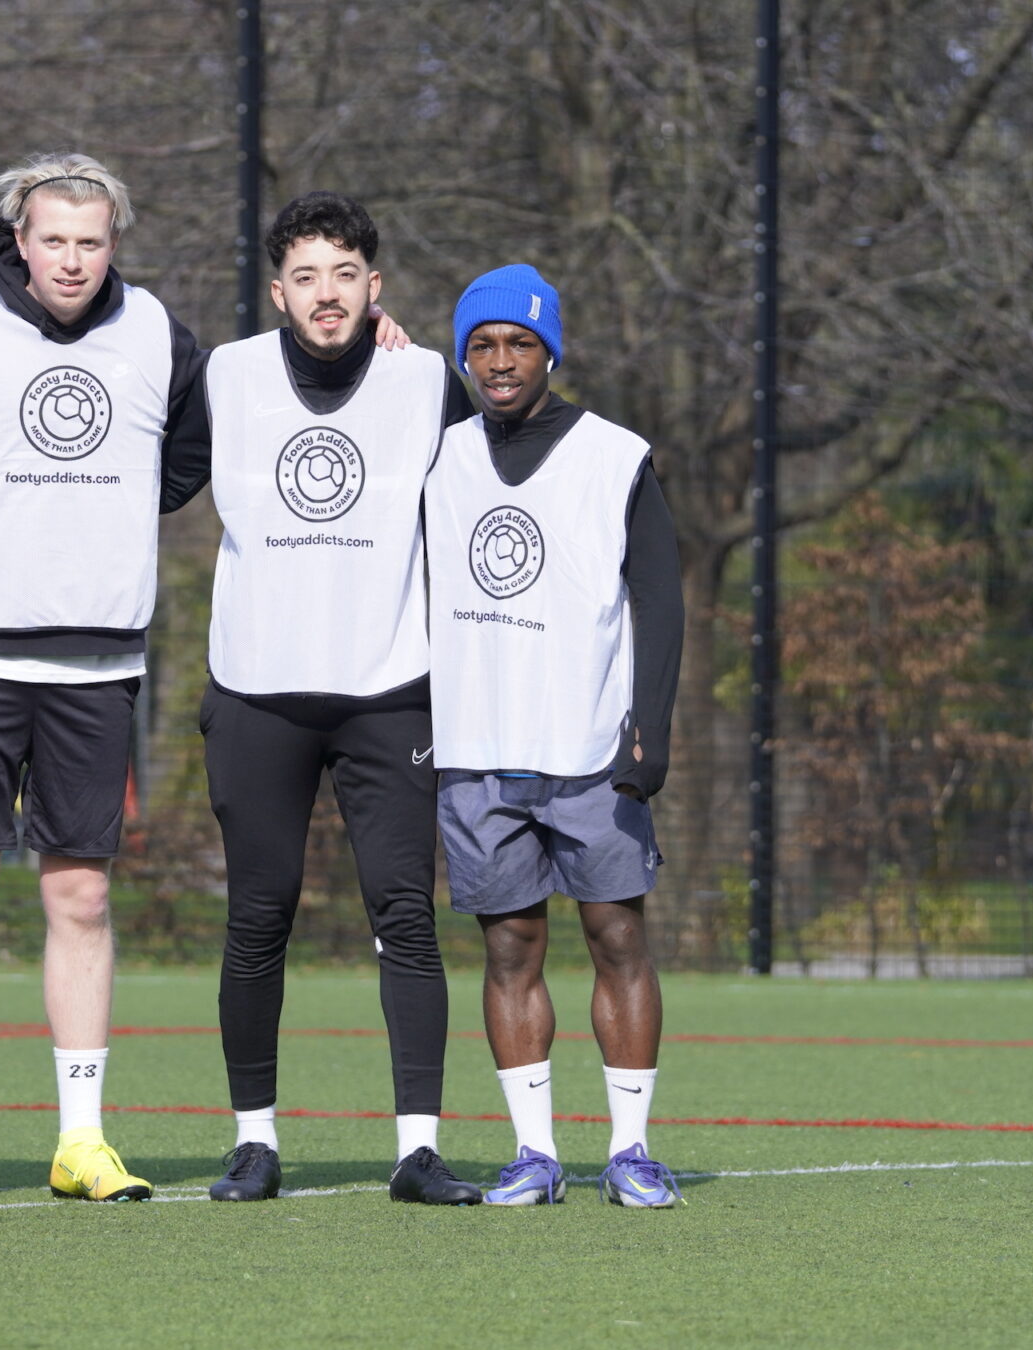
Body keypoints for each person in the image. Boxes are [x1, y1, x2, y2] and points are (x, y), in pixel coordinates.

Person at [0, 153, 209, 1204]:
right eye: (54, 240)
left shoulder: (161, 334)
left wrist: (97, 525)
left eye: (92, 241)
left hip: (100, 662)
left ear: (115, 244)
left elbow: (188, 459)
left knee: (80, 893)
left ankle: (81, 1138)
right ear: (18, 240)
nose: (72, 260)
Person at [188, 192, 482, 1205]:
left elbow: (495, 495)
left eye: (344, 275)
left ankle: (417, 1151)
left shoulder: (425, 380)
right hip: (257, 693)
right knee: (257, 916)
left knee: (406, 913)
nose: (326, 294)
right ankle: (254, 1143)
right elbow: (135, 476)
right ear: (278, 290)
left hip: (388, 694)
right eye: (306, 276)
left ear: (375, 286)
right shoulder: (224, 376)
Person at [423, 263, 686, 1207]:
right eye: (482, 345)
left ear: (551, 352)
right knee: (508, 950)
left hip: (588, 748)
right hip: (477, 748)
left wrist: (648, 731)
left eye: (519, 343)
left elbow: (660, 598)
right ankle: (534, 1153)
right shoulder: (438, 457)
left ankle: (629, 1150)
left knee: (617, 936)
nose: (500, 361)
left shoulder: (617, 456)